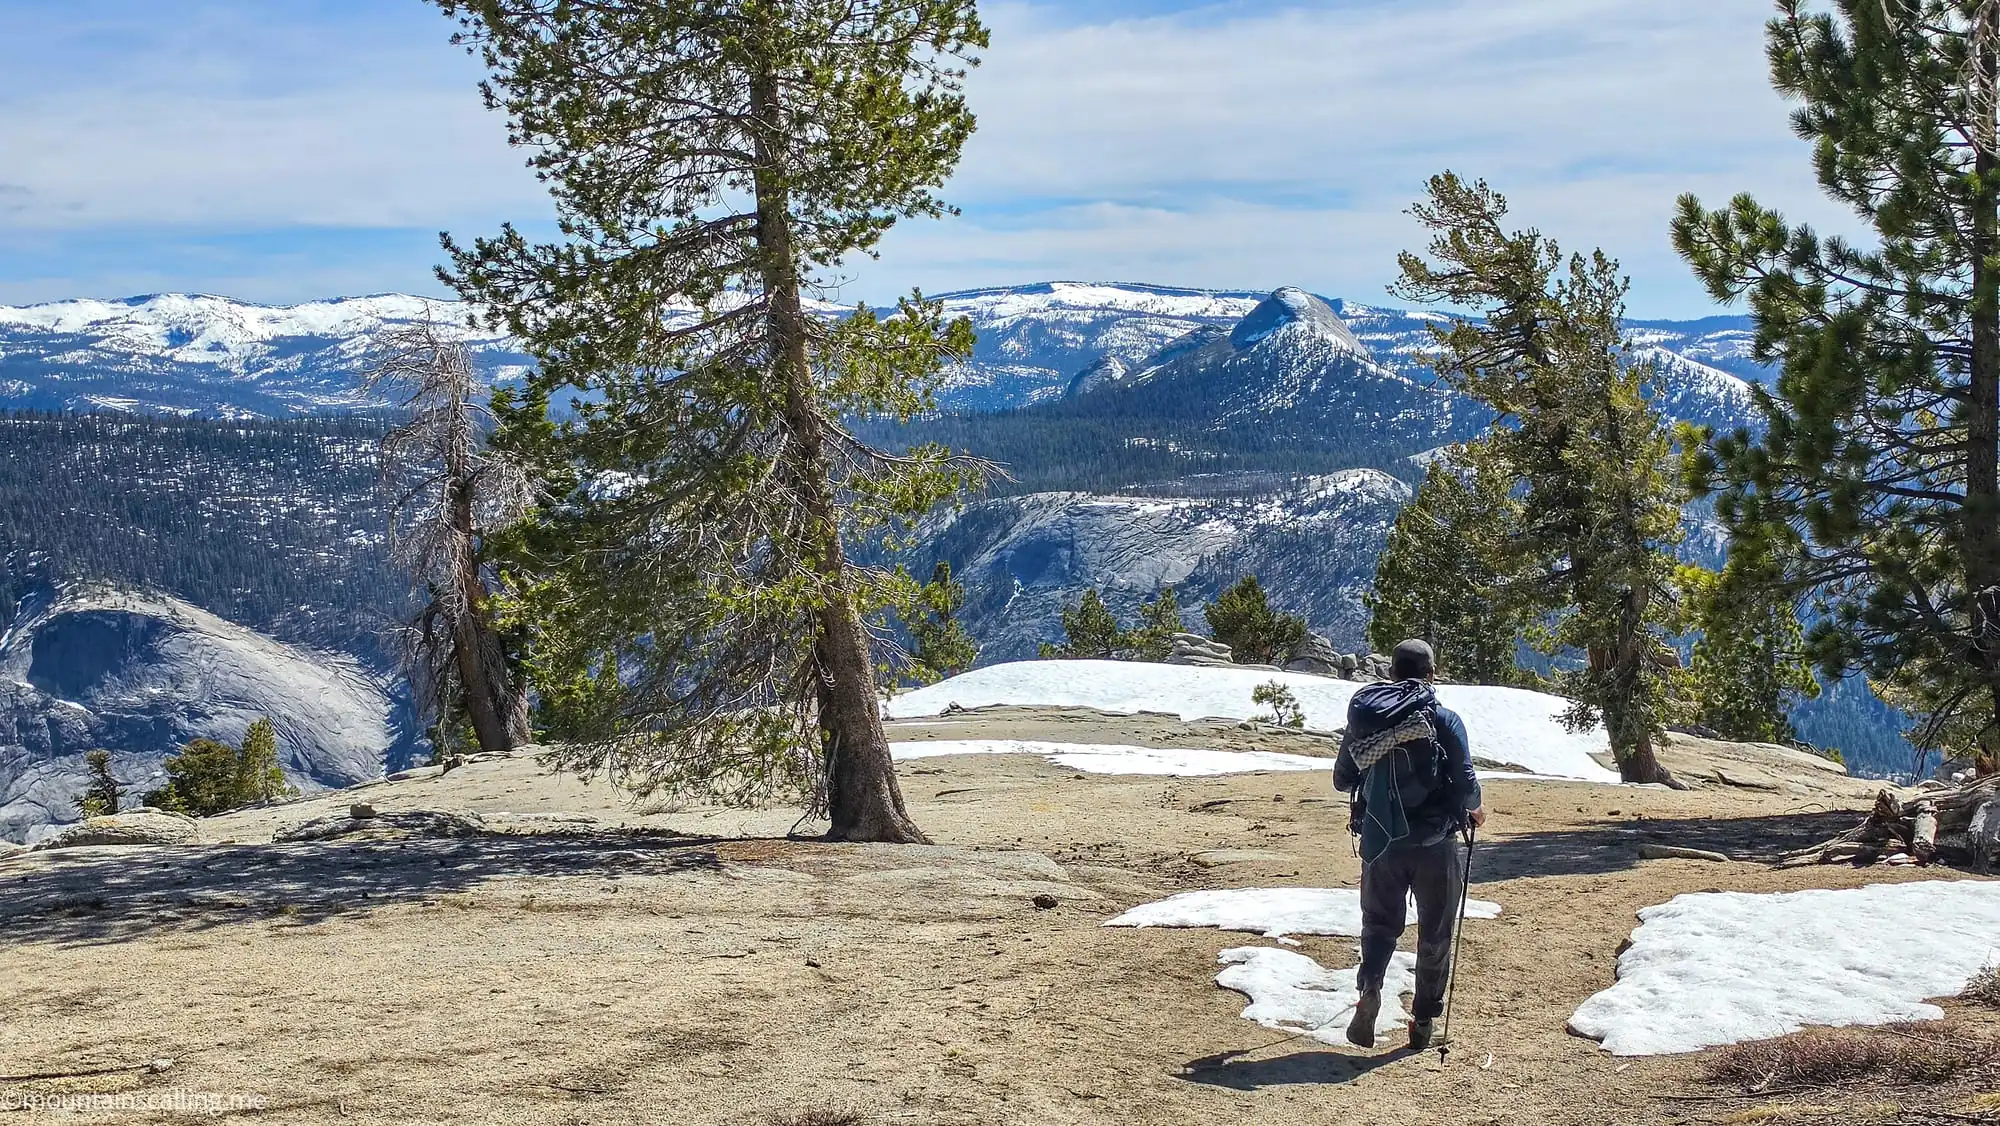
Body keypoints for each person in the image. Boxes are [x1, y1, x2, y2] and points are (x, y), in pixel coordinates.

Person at [1332, 638, 1487, 1050]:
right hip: (1435, 843)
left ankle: (1370, 990)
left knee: (1379, 925)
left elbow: (1342, 780)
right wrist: (1476, 809)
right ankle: (1422, 1022)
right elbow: (1466, 783)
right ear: (1431, 673)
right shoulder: (1444, 719)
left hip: (1381, 841)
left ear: (1392, 672)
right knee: (1435, 932)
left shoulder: (1369, 720)